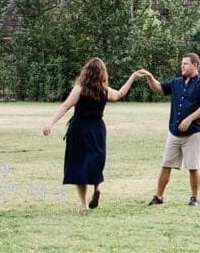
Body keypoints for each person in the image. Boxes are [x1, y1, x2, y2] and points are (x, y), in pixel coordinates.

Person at [42, 58, 142, 211]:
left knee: (78, 163)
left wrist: (50, 122)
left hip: (80, 128)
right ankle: (97, 187)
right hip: (97, 129)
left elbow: (66, 105)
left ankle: (83, 204)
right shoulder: (104, 90)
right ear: (103, 73)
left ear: (86, 72)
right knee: (96, 159)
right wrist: (132, 77)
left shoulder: (80, 88)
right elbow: (120, 94)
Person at [139, 53, 200, 207]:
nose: (182, 66)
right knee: (166, 164)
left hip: (194, 132)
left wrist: (189, 119)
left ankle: (194, 198)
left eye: (185, 63)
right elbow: (159, 88)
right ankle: (158, 197)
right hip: (174, 131)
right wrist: (150, 77)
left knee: (193, 167)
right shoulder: (176, 83)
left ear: (195, 65)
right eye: (181, 63)